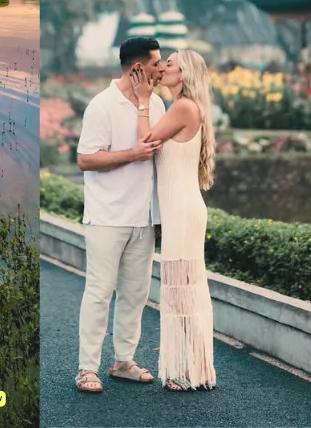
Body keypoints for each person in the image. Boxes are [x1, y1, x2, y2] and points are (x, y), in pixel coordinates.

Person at [74, 37, 165, 393]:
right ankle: (86, 369)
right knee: (99, 292)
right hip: (108, 216)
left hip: (144, 217)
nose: (161, 70)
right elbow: (86, 159)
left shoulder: (155, 104)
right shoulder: (102, 105)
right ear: (137, 68)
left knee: (136, 293)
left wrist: (160, 217)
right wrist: (132, 153)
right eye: (157, 64)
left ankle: (123, 361)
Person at [140, 49, 217, 391]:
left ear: (183, 73)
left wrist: (144, 100)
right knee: (183, 291)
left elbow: (146, 141)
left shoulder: (184, 107)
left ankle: (194, 370)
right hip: (181, 210)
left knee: (180, 292)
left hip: (183, 211)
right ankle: (198, 368)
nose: (162, 68)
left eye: (169, 64)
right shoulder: (183, 107)